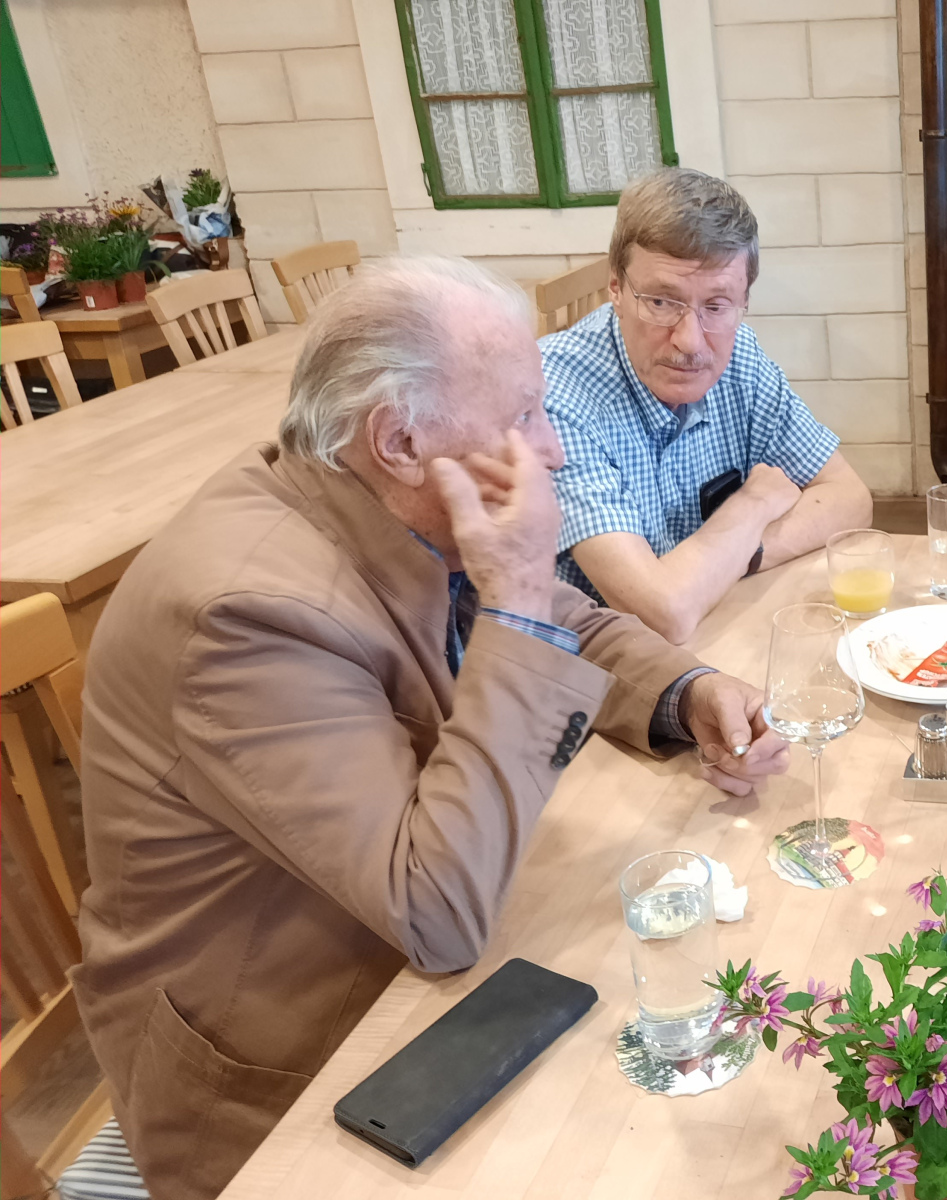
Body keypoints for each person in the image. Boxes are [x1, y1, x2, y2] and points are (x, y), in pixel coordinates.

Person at [70, 256, 790, 1199]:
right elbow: (438, 915)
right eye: (522, 418)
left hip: (400, 981)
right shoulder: (246, 615)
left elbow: (560, 621)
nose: (551, 450)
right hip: (280, 1082)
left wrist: (684, 691)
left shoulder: (370, 497)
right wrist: (520, 597)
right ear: (400, 441)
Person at [541, 168, 872, 644]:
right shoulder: (554, 394)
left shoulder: (739, 356)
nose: (691, 342)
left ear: (744, 300)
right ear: (615, 287)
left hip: (714, 635)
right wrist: (753, 504)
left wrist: (735, 556)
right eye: (661, 302)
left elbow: (850, 498)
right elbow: (663, 612)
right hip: (591, 671)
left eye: (716, 306)